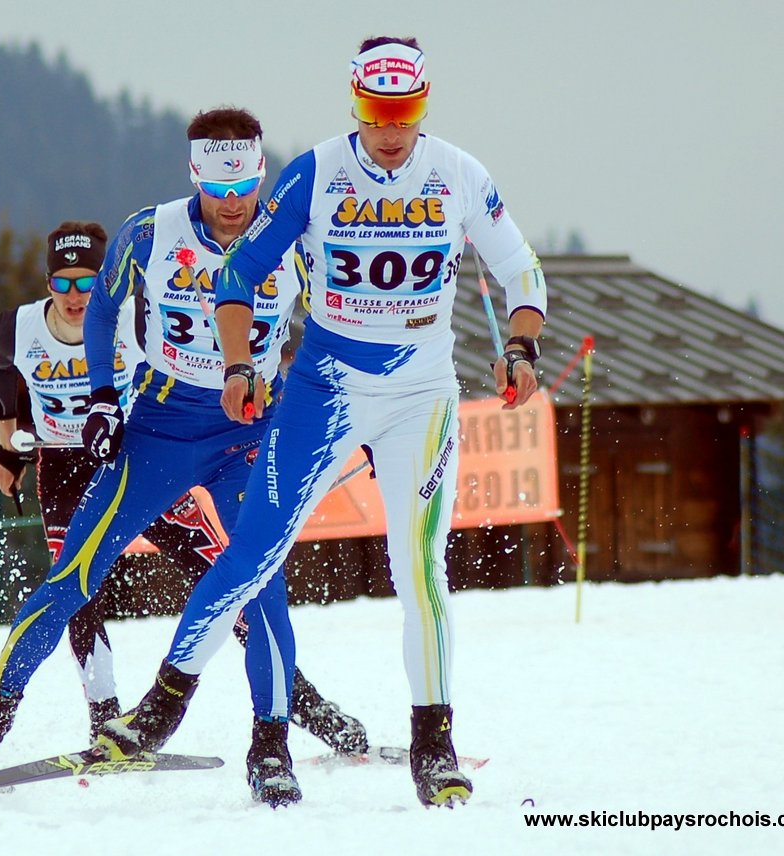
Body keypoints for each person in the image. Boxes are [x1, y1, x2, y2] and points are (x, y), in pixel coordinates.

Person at [95, 37, 548, 809]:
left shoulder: (459, 173)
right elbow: (239, 272)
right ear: (356, 104)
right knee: (255, 553)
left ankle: (434, 745)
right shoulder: (316, 171)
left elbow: (520, 267)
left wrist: (522, 343)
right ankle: (163, 706)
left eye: (406, 111)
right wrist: (239, 366)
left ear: (424, 105)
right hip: (324, 386)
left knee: (420, 569)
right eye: (378, 110)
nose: (392, 128)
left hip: (421, 393)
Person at [0, 108, 353, 806]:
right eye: (217, 185)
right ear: (194, 176)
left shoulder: (295, 238)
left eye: (243, 183)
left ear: (261, 174)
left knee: (261, 585)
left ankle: (271, 744)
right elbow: (103, 309)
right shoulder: (150, 231)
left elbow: (344, 320)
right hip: (160, 429)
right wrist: (99, 399)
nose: (232, 201)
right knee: (73, 574)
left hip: (248, 432)